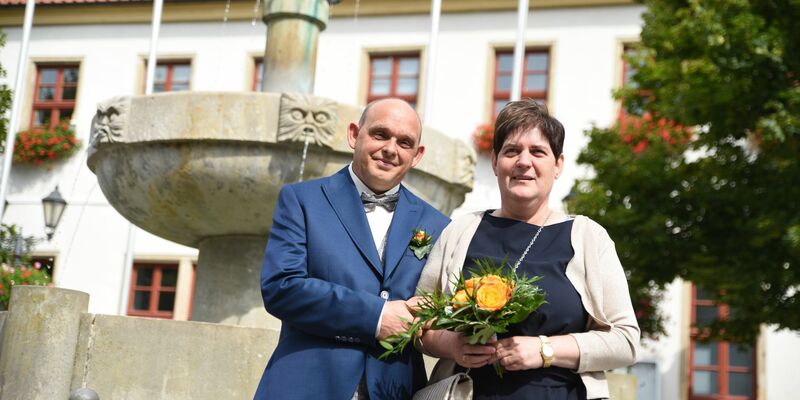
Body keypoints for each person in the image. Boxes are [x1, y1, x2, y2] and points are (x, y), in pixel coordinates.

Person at [417, 99, 640, 400]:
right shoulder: (460, 232)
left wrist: (545, 349)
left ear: (558, 164)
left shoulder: (588, 237)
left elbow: (625, 341)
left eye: (537, 152)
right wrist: (452, 345)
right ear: (495, 161)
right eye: (512, 151)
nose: (524, 161)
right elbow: (419, 321)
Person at [253, 98, 450, 400]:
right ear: (354, 135)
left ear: (417, 155)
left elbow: (438, 308)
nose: (390, 149)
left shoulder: (437, 224)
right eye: (380, 134)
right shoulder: (302, 200)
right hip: (308, 386)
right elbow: (282, 288)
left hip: (395, 390)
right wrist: (376, 316)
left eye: (404, 142)